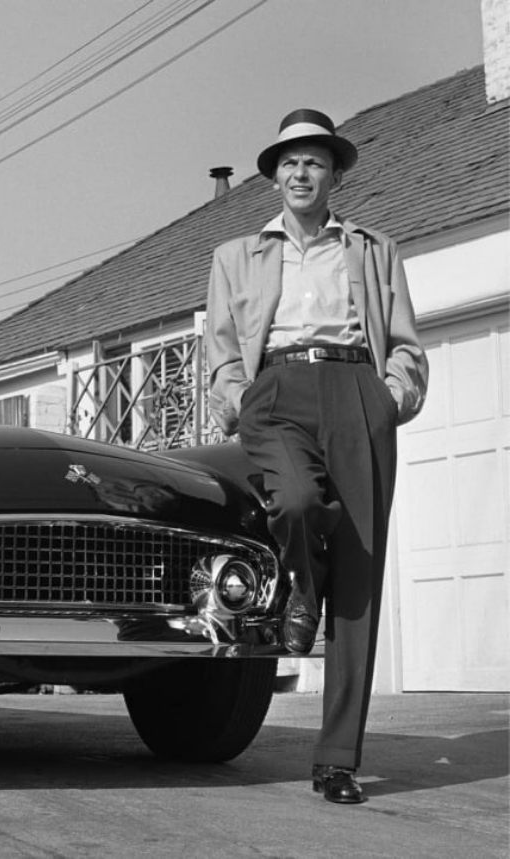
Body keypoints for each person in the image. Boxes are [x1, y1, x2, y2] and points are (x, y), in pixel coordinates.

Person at [204, 108, 428, 804]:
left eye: (314, 162)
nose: (301, 173)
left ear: (334, 174)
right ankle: (302, 585)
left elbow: (405, 343)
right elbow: (218, 348)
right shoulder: (235, 256)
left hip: (356, 390)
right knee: (296, 499)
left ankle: (337, 759)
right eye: (289, 163)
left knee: (358, 578)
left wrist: (390, 397)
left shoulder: (371, 248)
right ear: (273, 177)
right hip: (275, 387)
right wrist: (238, 398)